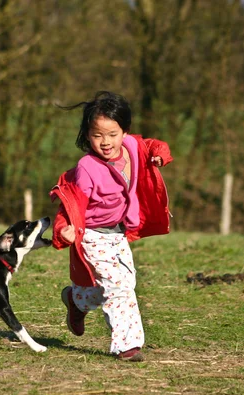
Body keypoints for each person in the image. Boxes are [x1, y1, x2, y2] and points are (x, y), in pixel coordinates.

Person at [49, 91, 173, 362]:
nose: (105, 142)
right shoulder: (87, 168)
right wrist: (63, 229)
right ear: (87, 134)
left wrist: (160, 155)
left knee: (121, 283)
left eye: (112, 134)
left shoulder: (132, 147)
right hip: (92, 235)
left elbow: (152, 145)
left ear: (124, 131)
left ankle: (76, 301)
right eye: (97, 135)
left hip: (118, 233)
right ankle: (127, 346)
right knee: (120, 286)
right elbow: (69, 203)